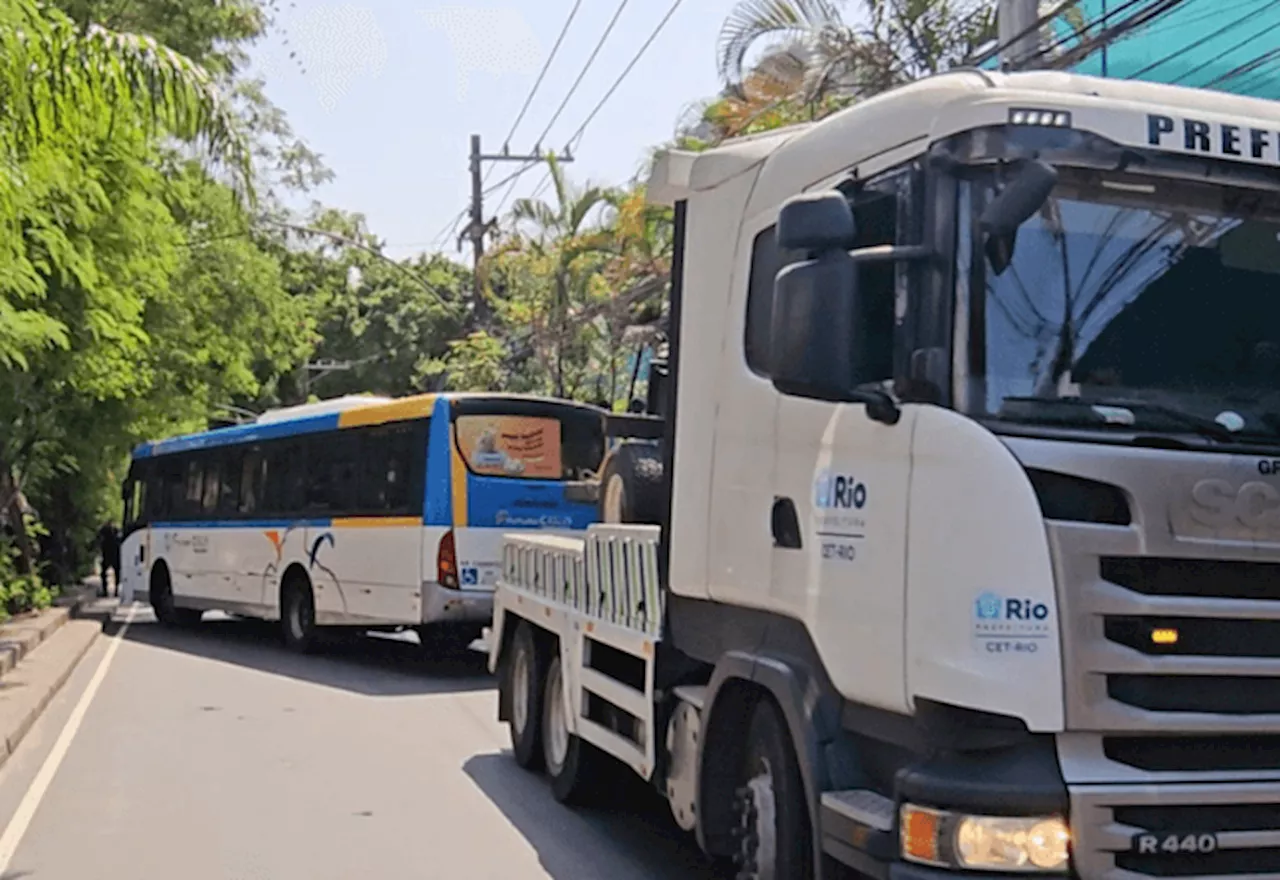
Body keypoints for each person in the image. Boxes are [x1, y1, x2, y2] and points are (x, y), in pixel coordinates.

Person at [97, 521, 120, 598]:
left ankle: (105, 591)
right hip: (115, 556)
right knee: (117, 573)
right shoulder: (116, 538)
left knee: (104, 574)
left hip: (107, 556)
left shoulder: (105, 540)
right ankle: (116, 590)